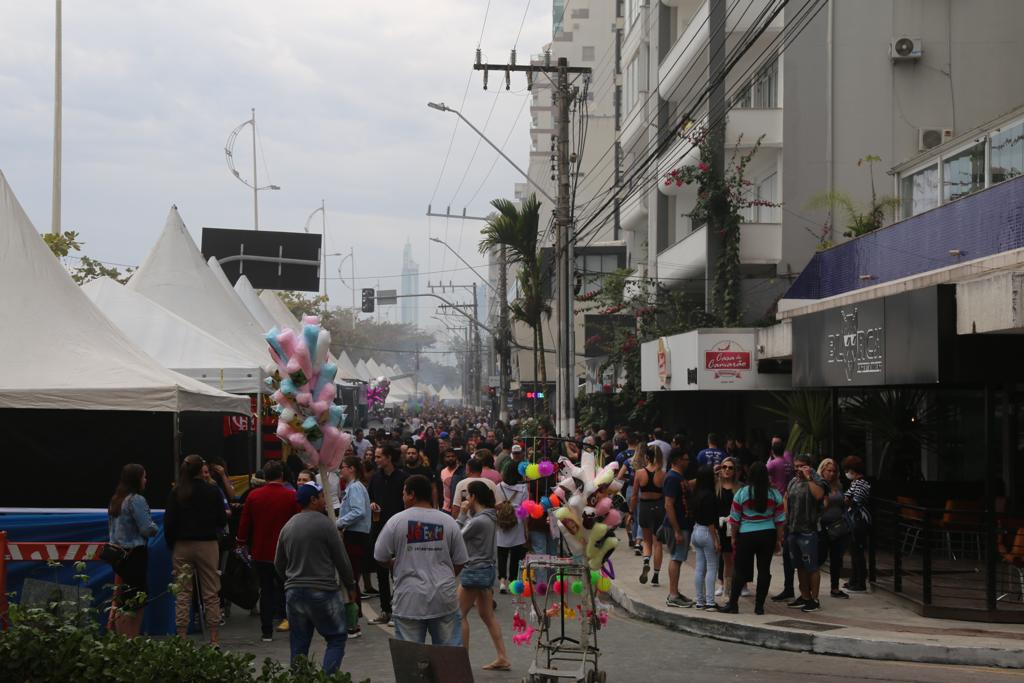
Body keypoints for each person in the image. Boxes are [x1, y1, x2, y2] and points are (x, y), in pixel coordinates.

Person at [374, 475, 468, 645]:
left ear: (411, 494)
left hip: (409, 600)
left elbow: (380, 556)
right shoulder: (448, 522)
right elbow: (460, 560)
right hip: (443, 597)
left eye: (403, 493)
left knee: (411, 662)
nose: (402, 498)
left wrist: (393, 564)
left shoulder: (396, 521)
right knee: (449, 658)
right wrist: (445, 576)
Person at [275, 482, 359, 674]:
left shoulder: (288, 526)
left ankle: (300, 678)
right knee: (336, 637)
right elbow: (342, 560)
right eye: (321, 496)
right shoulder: (326, 525)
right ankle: (327, 678)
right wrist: (351, 585)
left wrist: (290, 580)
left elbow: (278, 563)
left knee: (299, 643)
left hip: (294, 592)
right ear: (313, 500)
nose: (324, 500)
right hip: (323, 591)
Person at [164, 454, 226, 645]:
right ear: (202, 471)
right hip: (207, 545)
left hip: (182, 545)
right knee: (211, 593)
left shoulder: (177, 492)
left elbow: (169, 522)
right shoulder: (212, 491)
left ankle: (181, 636)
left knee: (182, 593)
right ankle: (214, 638)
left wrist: (172, 544)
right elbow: (222, 520)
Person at [235, 460, 299, 642]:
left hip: (261, 551)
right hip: (285, 551)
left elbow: (244, 524)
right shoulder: (291, 496)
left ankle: (266, 630)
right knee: (288, 587)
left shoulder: (254, 496)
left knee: (266, 589)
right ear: (282, 475)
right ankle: (291, 621)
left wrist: (241, 542)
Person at [457, 481, 511, 671]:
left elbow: (456, 534)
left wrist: (462, 513)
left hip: (474, 570)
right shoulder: (489, 516)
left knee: (458, 615)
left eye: (467, 495)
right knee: (487, 615)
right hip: (487, 569)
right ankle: (502, 656)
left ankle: (461, 661)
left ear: (473, 497)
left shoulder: (479, 520)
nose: (465, 499)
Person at [719, 462, 785, 615]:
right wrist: (778, 539)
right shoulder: (775, 494)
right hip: (768, 534)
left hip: (746, 535)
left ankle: (733, 604)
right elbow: (780, 520)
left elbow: (734, 519)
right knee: (764, 570)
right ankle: (759, 607)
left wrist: (734, 538)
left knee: (740, 570)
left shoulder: (742, 493)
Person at [107, 463, 158, 637]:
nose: (146, 480)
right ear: (137, 479)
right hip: (134, 555)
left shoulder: (116, 499)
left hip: (118, 556)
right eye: (144, 476)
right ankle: (131, 639)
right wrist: (155, 527)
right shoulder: (136, 500)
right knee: (136, 602)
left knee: (123, 599)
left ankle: (124, 639)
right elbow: (146, 528)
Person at [367, 442, 409, 624]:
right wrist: (372, 505)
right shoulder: (376, 478)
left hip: (400, 530)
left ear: (389, 457)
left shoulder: (403, 478)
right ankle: (386, 610)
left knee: (398, 572)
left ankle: (399, 610)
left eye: (378, 456)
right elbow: (371, 498)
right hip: (379, 527)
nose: (375, 459)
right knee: (381, 570)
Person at [784, 454, 827, 612]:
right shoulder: (793, 482)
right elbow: (787, 498)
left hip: (809, 531)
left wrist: (809, 478)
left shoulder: (817, 481)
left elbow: (819, 495)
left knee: (812, 567)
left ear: (809, 466)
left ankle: (814, 599)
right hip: (793, 529)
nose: (798, 469)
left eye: (801, 466)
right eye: (796, 466)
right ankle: (804, 596)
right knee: (799, 566)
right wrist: (786, 519)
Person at [337, 455, 371, 637]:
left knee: (350, 579)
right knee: (350, 579)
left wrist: (339, 522)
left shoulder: (356, 488)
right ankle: (351, 619)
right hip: (353, 535)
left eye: (343, 466)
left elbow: (358, 511)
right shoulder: (351, 488)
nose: (340, 470)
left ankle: (352, 622)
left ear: (351, 469)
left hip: (356, 536)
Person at [662, 449, 695, 608]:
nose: (688, 461)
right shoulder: (672, 478)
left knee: (679, 558)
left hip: (683, 525)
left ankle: (675, 592)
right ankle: (673, 595)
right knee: (676, 557)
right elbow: (668, 504)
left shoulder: (678, 477)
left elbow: (687, 486)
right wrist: (677, 530)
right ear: (677, 460)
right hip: (678, 526)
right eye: (685, 458)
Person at [767, 437, 797, 603]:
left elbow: (762, 475)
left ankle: (789, 587)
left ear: (772, 450)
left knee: (785, 545)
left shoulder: (772, 463)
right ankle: (789, 586)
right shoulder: (788, 462)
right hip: (787, 500)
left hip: (778, 502)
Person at [632, 444, 666, 586]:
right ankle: (656, 576)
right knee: (658, 544)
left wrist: (630, 511)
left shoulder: (639, 473)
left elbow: (634, 495)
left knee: (647, 541)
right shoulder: (663, 473)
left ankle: (646, 560)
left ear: (646, 457)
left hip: (644, 507)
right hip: (659, 507)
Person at [817, 458, 850, 600]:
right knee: (820, 556)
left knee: (837, 558)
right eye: (828, 470)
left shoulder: (839, 486)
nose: (831, 473)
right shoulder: (818, 485)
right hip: (823, 526)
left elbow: (843, 504)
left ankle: (835, 588)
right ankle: (810, 585)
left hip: (838, 525)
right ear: (822, 470)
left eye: (833, 471)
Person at [690, 465, 721, 610]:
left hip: (696, 530)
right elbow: (710, 521)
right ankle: (710, 601)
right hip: (707, 532)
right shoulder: (710, 495)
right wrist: (716, 539)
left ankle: (699, 600)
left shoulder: (696, 493)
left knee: (700, 567)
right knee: (712, 567)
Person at [496, 463, 529, 594]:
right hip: (518, 520)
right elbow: (525, 509)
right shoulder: (523, 488)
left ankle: (502, 581)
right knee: (516, 553)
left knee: (502, 552)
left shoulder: (498, 487)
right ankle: (513, 581)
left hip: (503, 520)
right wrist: (526, 529)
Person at [715, 456, 745, 598]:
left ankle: (736, 586)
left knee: (736, 558)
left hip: (735, 527)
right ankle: (723, 585)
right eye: (724, 467)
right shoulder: (715, 485)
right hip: (718, 527)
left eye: (730, 468)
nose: (727, 470)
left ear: (735, 471)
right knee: (722, 558)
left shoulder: (740, 487)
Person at [842, 456, 872, 592]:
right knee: (854, 551)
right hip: (854, 520)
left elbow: (855, 501)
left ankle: (860, 582)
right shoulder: (856, 483)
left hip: (858, 521)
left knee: (857, 552)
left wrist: (847, 500)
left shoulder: (860, 483)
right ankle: (854, 579)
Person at [440, 448, 463, 515]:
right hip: (445, 508)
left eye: (453, 456)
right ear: (444, 458)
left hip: (458, 507)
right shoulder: (442, 471)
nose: (450, 458)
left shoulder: (461, 471)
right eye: (448, 457)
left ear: (456, 457)